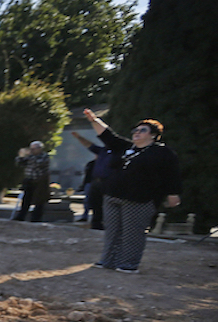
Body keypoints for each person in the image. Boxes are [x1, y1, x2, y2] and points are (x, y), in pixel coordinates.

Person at [82, 109, 182, 273]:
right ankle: (108, 260)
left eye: (143, 130)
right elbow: (108, 135)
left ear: (153, 135)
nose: (137, 133)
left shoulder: (162, 152)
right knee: (112, 231)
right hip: (112, 195)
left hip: (139, 199)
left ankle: (129, 263)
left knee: (132, 233)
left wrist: (173, 193)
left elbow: (172, 174)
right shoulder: (126, 147)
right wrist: (94, 120)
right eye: (136, 130)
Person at [74, 131, 111, 230]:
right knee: (94, 203)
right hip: (95, 182)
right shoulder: (102, 151)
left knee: (105, 204)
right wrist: (80, 138)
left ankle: (103, 222)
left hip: (107, 182)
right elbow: (90, 145)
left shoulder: (117, 152)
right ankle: (96, 223)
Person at [12, 140, 52, 222]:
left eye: (34, 149)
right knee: (26, 199)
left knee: (39, 201)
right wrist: (21, 156)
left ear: (40, 149)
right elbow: (19, 163)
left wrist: (29, 156)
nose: (32, 151)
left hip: (40, 181)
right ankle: (21, 216)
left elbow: (38, 163)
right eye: (31, 149)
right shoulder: (30, 157)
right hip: (29, 180)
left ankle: (36, 218)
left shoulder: (44, 156)